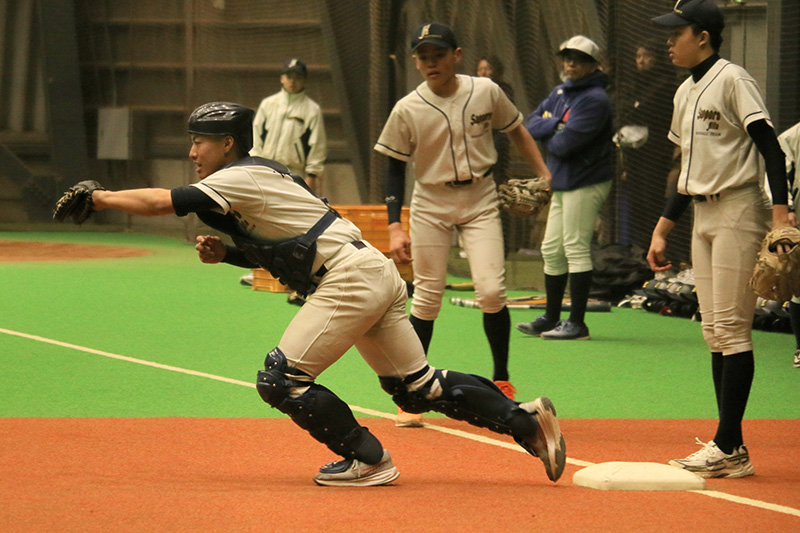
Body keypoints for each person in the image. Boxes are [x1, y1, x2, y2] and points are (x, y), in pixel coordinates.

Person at [55, 101, 566, 486]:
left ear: (228, 144)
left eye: (201, 142)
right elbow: (291, 251)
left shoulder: (238, 177)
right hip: (369, 272)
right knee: (417, 388)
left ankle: (369, 461)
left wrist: (98, 197)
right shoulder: (262, 176)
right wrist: (229, 256)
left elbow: (166, 202)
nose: (192, 152)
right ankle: (526, 420)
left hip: (349, 278)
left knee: (280, 380)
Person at [374, 22, 552, 426]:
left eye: (438, 54)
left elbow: (517, 131)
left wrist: (544, 173)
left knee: (491, 290)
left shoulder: (485, 91)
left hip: (480, 197)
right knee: (427, 299)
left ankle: (502, 380)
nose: (430, 62)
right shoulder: (408, 107)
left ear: (457, 55)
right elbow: (392, 169)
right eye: (423, 55)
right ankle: (411, 390)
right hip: (430, 202)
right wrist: (394, 226)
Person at [648, 0, 790, 478]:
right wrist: (663, 227)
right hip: (702, 214)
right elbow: (686, 170)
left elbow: (771, 148)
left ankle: (729, 446)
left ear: (703, 36)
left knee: (731, 328)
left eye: (677, 32)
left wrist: (781, 219)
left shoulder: (733, 78)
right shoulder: (684, 91)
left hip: (738, 209)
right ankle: (729, 444)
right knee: (713, 331)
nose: (669, 40)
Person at [516, 35, 614, 340]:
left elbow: (564, 143)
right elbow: (530, 125)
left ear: (593, 64)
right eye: (567, 57)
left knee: (574, 246)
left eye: (578, 59)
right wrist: (555, 124)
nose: (570, 63)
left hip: (586, 180)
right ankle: (552, 318)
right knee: (551, 248)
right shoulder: (560, 92)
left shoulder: (596, 99)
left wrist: (553, 127)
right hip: (561, 180)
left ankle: (577, 323)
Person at [614, 39, 680, 255]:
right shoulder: (633, 84)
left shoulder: (666, 84)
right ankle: (639, 250)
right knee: (637, 202)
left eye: (646, 56)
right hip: (634, 155)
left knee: (652, 199)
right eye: (638, 56)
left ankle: (660, 250)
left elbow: (644, 111)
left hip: (657, 153)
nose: (641, 61)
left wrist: (636, 109)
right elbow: (625, 111)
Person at [251, 58, 327, 193]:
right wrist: (256, 165)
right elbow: (255, 136)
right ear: (282, 79)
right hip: (265, 171)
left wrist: (311, 175)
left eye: (297, 77)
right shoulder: (268, 104)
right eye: (289, 77)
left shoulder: (312, 109)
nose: (292, 81)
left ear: (305, 81)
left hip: (295, 175)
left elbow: (317, 145)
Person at [777, 121, 800, 368]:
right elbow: (778, 175)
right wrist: (787, 209)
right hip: (799, 221)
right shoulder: (791, 137)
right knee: (799, 285)